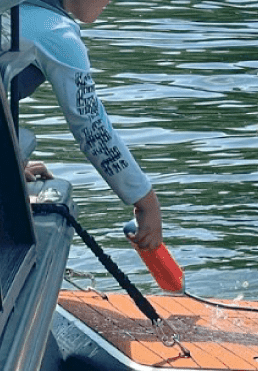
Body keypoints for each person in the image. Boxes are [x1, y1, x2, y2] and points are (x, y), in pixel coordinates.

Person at [20, 0, 163, 250]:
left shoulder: (3, 10)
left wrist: (5, 161)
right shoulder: (55, 32)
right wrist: (146, 201)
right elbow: (92, 129)